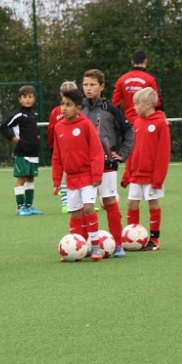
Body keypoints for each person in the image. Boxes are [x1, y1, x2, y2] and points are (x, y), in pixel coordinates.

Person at [82, 69, 134, 257]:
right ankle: (83, 245)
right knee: (84, 205)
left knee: (109, 201)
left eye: (93, 85)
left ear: (102, 86)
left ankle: (118, 244)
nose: (88, 88)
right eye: (85, 84)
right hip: (84, 165)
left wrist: (123, 154)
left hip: (107, 164)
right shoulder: (78, 108)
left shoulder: (111, 109)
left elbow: (128, 131)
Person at [50, 88, 106, 260]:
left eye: (68, 105)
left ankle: (95, 246)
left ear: (78, 108)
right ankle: (77, 248)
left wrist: (97, 175)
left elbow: (96, 151)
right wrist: (57, 179)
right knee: (74, 213)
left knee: (88, 208)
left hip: (87, 176)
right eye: (62, 104)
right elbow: (57, 156)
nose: (64, 108)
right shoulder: (59, 127)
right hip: (71, 178)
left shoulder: (85, 125)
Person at [121, 87, 170, 251]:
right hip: (136, 174)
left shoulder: (160, 123)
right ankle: (131, 237)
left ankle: (154, 240)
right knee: (131, 203)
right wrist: (127, 174)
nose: (134, 107)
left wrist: (158, 179)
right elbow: (132, 149)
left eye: (136, 104)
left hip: (152, 176)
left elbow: (163, 153)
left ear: (148, 104)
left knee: (153, 204)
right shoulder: (137, 122)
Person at [0, 85, 42, 216]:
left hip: (33, 153)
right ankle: (20, 207)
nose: (27, 99)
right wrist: (12, 138)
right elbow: (3, 127)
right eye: (24, 97)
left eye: (30, 97)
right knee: (21, 179)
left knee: (30, 179)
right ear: (20, 99)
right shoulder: (18, 114)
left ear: (34, 99)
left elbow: (32, 129)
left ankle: (29, 206)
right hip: (22, 153)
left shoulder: (34, 115)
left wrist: (37, 136)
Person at [47, 80, 78, 213]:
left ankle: (69, 203)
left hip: (67, 147)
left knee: (70, 174)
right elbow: (52, 130)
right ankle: (67, 203)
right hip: (67, 148)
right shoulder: (58, 112)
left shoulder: (56, 111)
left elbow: (50, 130)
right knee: (69, 174)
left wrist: (52, 146)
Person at [111, 50, 162, 124]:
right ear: (146, 61)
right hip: (147, 121)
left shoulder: (121, 79)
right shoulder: (151, 79)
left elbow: (115, 104)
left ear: (132, 62)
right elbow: (157, 103)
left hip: (128, 122)